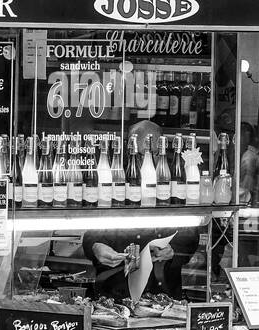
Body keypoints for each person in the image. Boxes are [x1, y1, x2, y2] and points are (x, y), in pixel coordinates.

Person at [85, 119, 198, 300]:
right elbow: (92, 229)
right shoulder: (115, 179)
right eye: (140, 154)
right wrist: (95, 247)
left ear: (162, 149)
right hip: (115, 292)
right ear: (130, 149)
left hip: (163, 294)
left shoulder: (175, 181)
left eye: (153, 153)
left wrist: (174, 250)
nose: (147, 159)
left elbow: (191, 233)